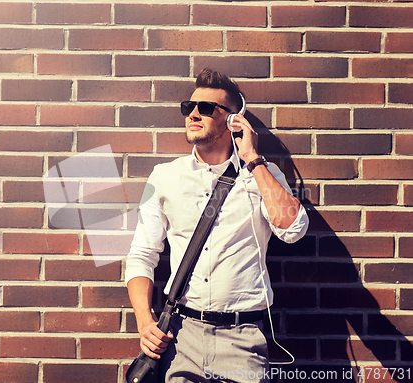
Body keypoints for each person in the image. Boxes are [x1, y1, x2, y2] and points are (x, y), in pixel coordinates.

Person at [125, 68, 309, 383]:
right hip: (181, 336)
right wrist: (145, 323)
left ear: (232, 120)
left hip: (243, 338)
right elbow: (142, 254)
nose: (194, 114)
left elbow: (293, 230)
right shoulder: (165, 177)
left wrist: (252, 157)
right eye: (189, 107)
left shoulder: (263, 175)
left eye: (207, 108)